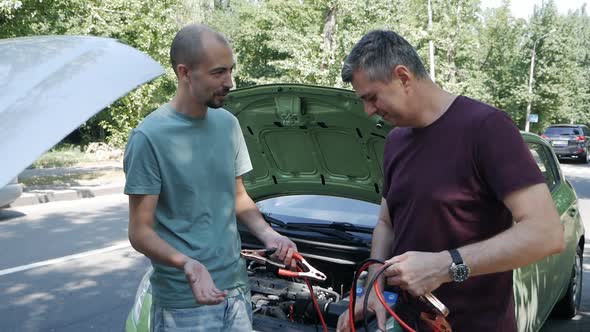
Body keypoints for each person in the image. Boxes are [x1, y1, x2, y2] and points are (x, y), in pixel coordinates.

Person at [336, 30, 565, 332]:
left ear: (403, 77)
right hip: (408, 323)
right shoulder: (396, 141)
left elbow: (546, 234)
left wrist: (444, 266)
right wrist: (374, 288)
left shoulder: (487, 129)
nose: (368, 111)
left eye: (372, 97)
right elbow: (387, 223)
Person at [124, 24, 297, 332]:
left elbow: (239, 198)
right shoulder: (148, 138)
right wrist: (186, 264)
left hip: (237, 288)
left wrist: (270, 235)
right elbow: (140, 232)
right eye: (218, 73)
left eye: (231, 70)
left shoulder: (228, 124)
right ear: (184, 72)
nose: (230, 82)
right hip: (185, 299)